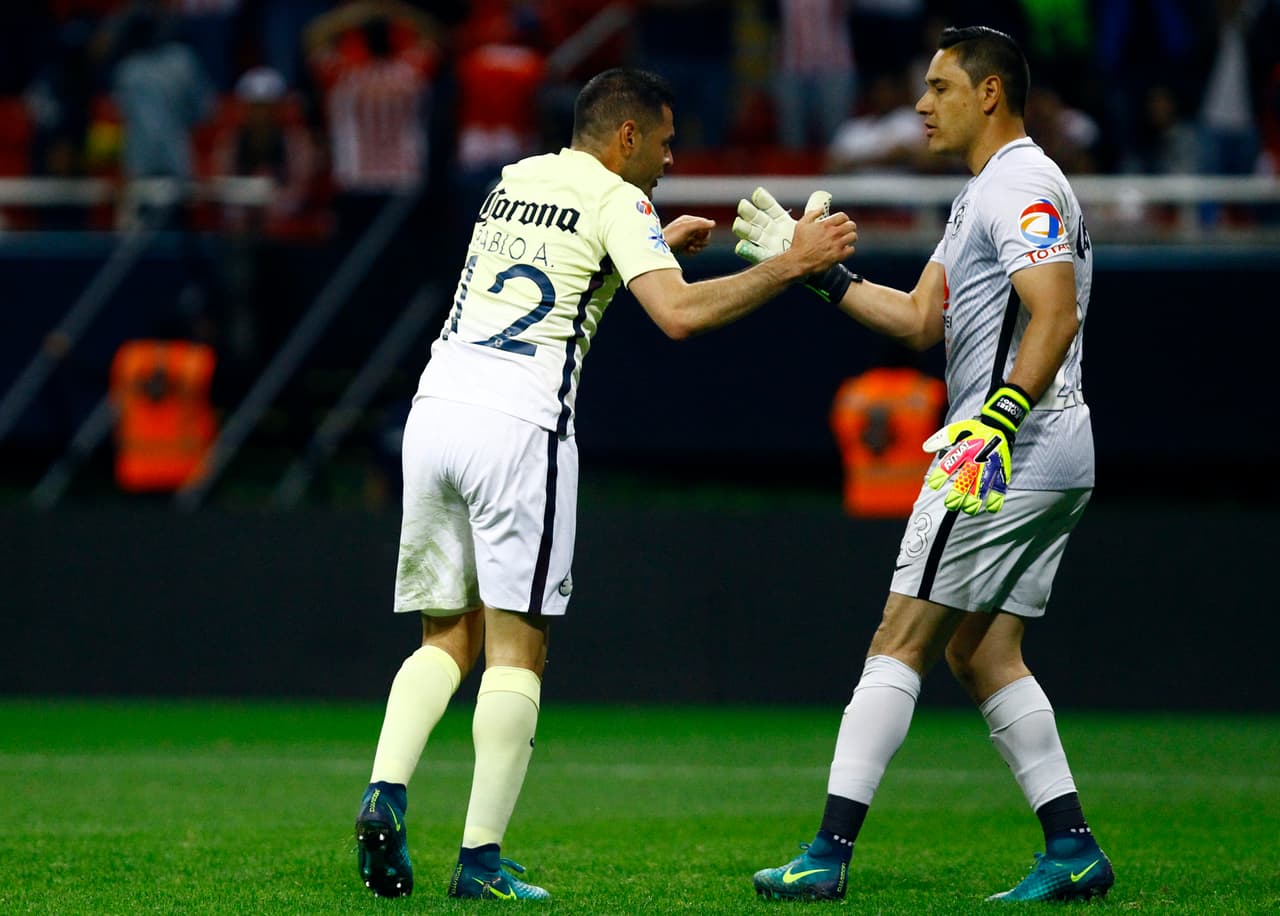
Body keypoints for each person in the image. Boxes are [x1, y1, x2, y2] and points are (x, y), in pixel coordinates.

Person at [352, 66, 856, 901]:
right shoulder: (623, 203)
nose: (667, 158)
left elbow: (557, 277)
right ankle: (479, 862)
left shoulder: (516, 179)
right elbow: (681, 316)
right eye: (662, 141)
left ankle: (386, 789)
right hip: (520, 428)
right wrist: (791, 265)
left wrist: (646, 249)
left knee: (444, 634)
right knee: (520, 649)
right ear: (627, 136)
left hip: (435, 410)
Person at [733, 26, 1112, 904]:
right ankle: (1073, 847)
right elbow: (916, 320)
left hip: (1001, 446)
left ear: (989, 94)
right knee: (981, 652)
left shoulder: (1019, 180)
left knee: (897, 640)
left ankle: (827, 852)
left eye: (939, 87)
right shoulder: (987, 189)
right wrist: (813, 274)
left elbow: (1054, 313)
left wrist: (1000, 419)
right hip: (1050, 445)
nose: (920, 104)